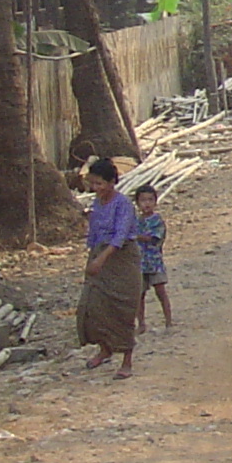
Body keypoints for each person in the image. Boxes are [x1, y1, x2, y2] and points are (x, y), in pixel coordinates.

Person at [77, 158, 141, 376]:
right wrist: (92, 255)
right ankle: (104, 349)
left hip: (121, 261)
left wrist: (101, 259)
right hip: (99, 257)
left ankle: (127, 361)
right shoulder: (96, 203)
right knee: (95, 306)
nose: (95, 189)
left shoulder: (123, 205)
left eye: (99, 184)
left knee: (123, 309)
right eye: (92, 184)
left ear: (112, 182)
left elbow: (120, 236)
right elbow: (95, 232)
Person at [133, 184, 173, 332]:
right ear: (137, 203)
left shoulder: (157, 221)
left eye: (150, 200)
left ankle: (168, 321)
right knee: (139, 295)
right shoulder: (135, 221)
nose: (147, 203)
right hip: (139, 263)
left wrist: (135, 236)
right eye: (143, 200)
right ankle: (141, 323)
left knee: (160, 291)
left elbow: (153, 238)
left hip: (154, 262)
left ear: (155, 202)